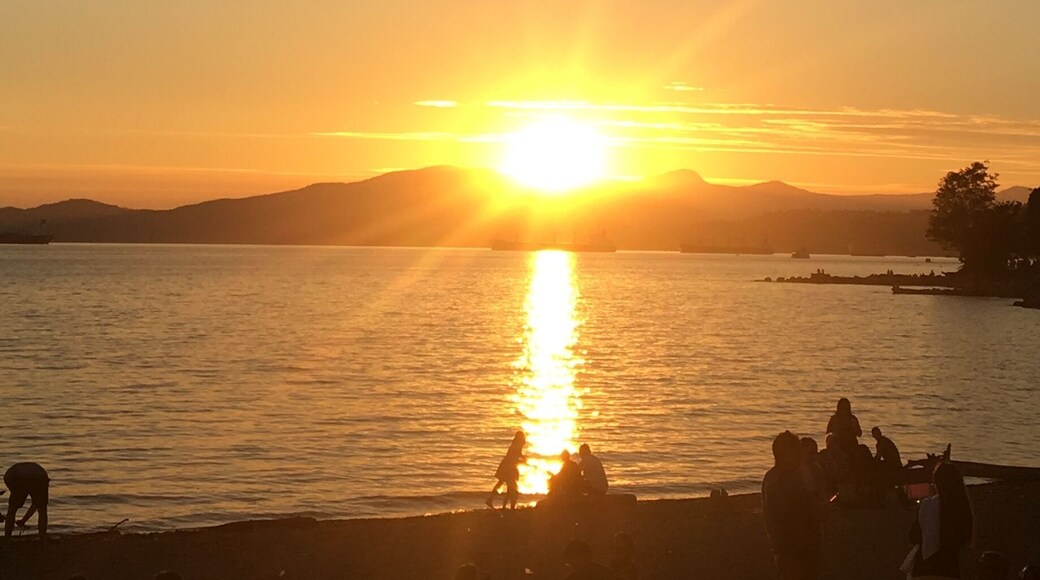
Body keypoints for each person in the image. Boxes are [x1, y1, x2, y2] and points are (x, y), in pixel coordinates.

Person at [762, 431, 820, 580]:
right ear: (787, 454)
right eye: (796, 451)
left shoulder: (770, 477)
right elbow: (804, 511)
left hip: (782, 544)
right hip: (797, 545)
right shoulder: (789, 479)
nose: (800, 455)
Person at [907, 462, 973, 578]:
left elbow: (914, 536)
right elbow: (963, 538)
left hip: (924, 566)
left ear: (936, 483)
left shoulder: (928, 505)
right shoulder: (961, 505)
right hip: (948, 567)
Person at [4, 462, 49, 541]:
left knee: (12, 509)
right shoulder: (10, 475)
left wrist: (23, 520)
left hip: (19, 475)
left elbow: (34, 504)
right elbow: (36, 504)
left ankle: (7, 538)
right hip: (39, 474)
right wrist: (23, 520)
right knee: (42, 509)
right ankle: (42, 538)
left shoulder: (10, 475)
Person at [487, 431, 525, 509]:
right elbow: (513, 457)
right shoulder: (517, 445)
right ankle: (497, 502)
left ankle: (492, 500)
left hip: (508, 465)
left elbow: (518, 454)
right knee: (509, 484)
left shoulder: (516, 444)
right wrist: (522, 461)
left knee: (503, 483)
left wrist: (524, 458)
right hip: (508, 466)